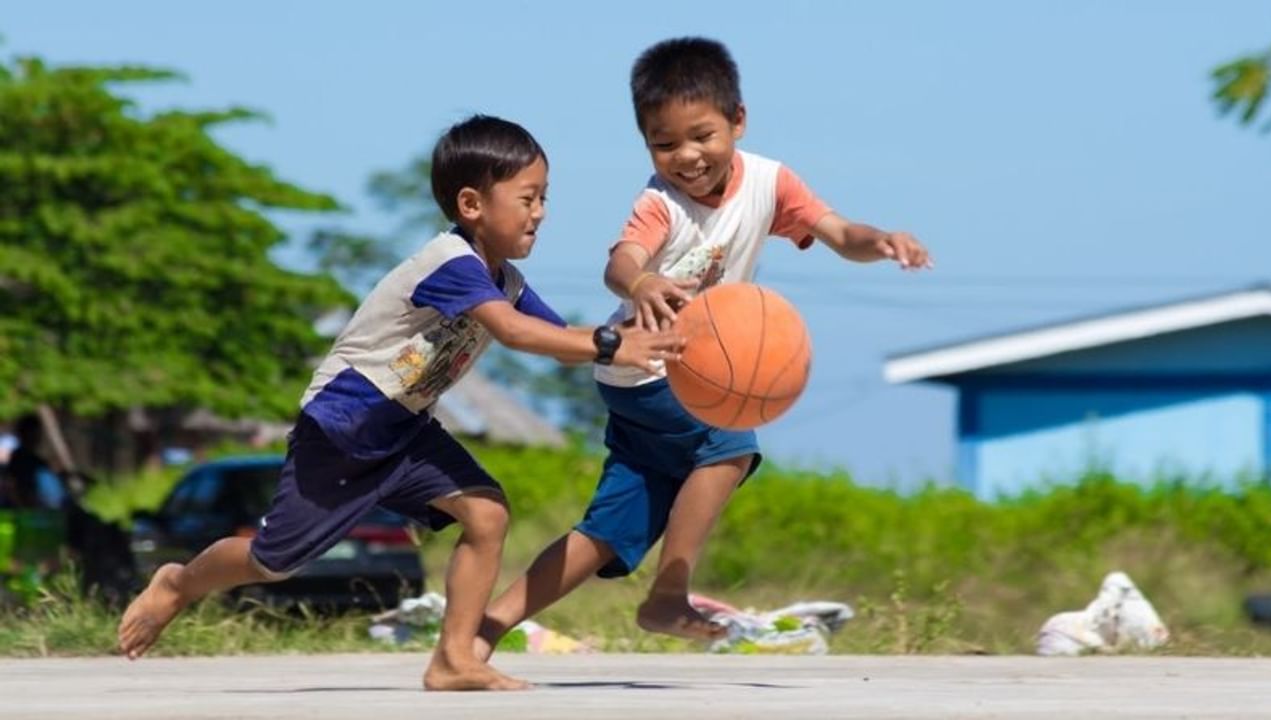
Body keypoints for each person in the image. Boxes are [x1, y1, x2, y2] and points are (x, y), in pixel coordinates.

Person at [117, 115, 684, 691]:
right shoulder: (452, 264)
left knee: (487, 516)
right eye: (528, 198)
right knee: (273, 561)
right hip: (344, 427)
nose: (540, 212)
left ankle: (453, 659)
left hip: (406, 429)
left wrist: (653, 329)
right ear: (472, 204)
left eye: (545, 198)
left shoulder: (503, 280)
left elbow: (561, 340)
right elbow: (517, 335)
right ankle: (177, 583)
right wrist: (614, 344)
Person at [476, 37, 932, 654]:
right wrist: (642, 282)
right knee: (729, 441)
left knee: (610, 530)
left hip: (661, 378)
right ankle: (669, 593)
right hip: (647, 368)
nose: (686, 157)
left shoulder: (771, 182)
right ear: (647, 146)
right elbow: (621, 263)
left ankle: (483, 630)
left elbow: (837, 232)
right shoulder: (659, 204)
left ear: (738, 121)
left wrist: (880, 241)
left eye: (702, 136)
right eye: (665, 145)